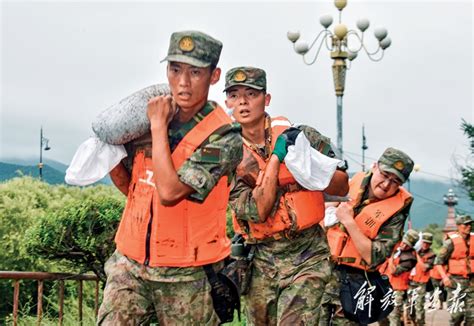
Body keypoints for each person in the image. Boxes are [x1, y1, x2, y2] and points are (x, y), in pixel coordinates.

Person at [97, 30, 243, 325]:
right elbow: (133, 187)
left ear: (214, 76)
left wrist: (157, 128)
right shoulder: (150, 117)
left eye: (195, 72)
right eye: (175, 70)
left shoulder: (224, 137)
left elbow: (169, 192)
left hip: (188, 276)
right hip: (130, 265)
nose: (183, 82)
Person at [224, 66, 349, 325]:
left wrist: (309, 168)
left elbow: (342, 185)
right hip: (258, 259)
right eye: (234, 95)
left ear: (266, 99)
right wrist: (277, 160)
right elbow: (256, 210)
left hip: (307, 253)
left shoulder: (302, 136)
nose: (243, 102)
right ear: (227, 102)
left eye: (251, 94)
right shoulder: (227, 155)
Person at [321, 147, 415, 326]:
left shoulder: (396, 213)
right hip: (322, 271)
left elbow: (374, 257)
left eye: (395, 181)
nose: (386, 184)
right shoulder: (350, 184)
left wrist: (349, 222)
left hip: (354, 283)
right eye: (385, 175)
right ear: (375, 167)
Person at [434, 215, 474, 326]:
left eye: (470, 224)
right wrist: (445, 277)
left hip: (471, 282)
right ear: (458, 226)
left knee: (472, 317)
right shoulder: (450, 242)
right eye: (465, 224)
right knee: (457, 315)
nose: (469, 226)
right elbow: (438, 262)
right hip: (455, 282)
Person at [378, 229, 419, 326]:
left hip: (397, 290)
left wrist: (391, 255)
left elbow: (394, 271)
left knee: (393, 315)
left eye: (407, 245)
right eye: (404, 243)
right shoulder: (397, 249)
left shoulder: (410, 258)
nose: (404, 246)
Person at [408, 232, 436, 325]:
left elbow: (424, 267)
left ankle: (420, 323)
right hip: (410, 281)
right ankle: (414, 321)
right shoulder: (414, 250)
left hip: (421, 283)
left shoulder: (431, 255)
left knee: (419, 305)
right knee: (410, 306)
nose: (425, 245)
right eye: (424, 242)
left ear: (430, 244)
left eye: (428, 243)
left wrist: (417, 256)